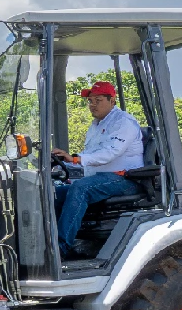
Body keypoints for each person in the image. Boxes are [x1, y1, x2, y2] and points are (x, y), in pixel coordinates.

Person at [49, 81, 143, 258]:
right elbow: (89, 156)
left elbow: (110, 153)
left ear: (112, 100)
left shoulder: (123, 122)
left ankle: (59, 250)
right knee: (52, 194)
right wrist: (61, 162)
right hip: (102, 179)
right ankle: (49, 242)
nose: (92, 105)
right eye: (90, 101)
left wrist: (76, 158)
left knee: (81, 188)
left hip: (126, 179)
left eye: (98, 100)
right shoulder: (96, 126)